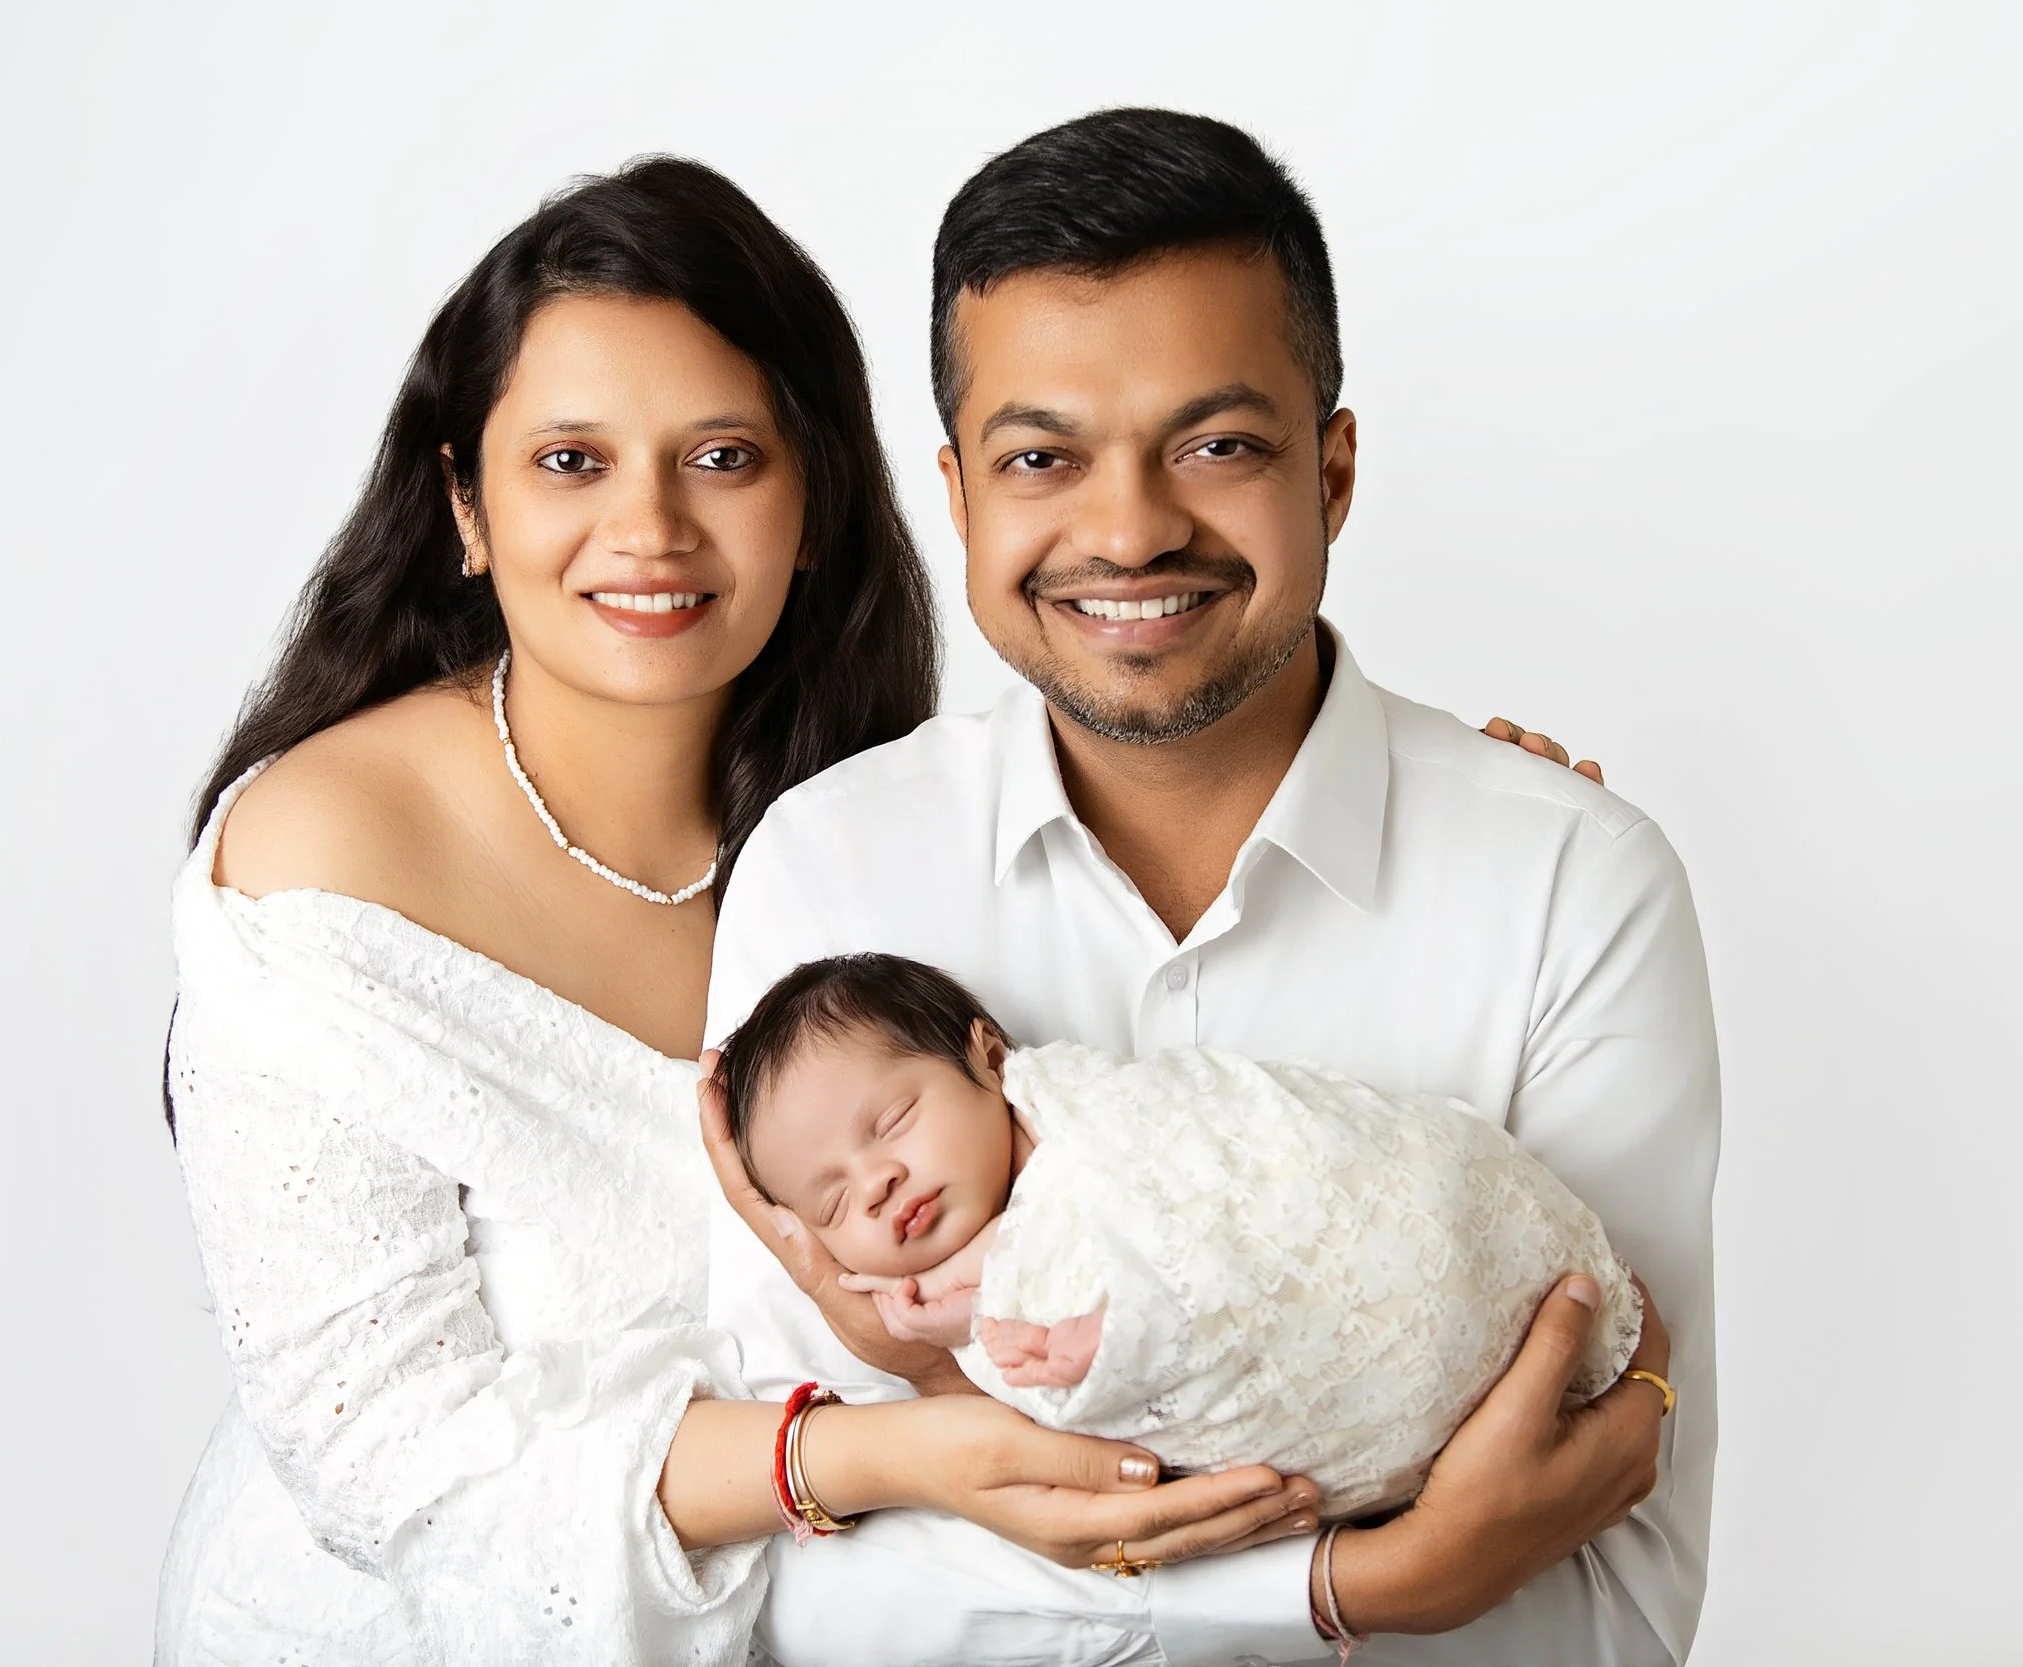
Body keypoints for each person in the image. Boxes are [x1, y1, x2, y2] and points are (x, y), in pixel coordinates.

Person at [154, 157, 1335, 1667]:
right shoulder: (322, 851)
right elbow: (385, 1461)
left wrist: (1432, 803)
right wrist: (854, 1455)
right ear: (465, 503)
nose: (649, 528)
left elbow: (1139, 1089)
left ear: (817, 504)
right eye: (571, 462)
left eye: (721, 456)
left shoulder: (869, 824)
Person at [701, 107, 1718, 1666]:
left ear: (1336, 465)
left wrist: (988, 1477)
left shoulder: (1573, 884)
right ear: (960, 496)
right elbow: (809, 1579)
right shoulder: (830, 871)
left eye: (1218, 444)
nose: (1128, 529)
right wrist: (1346, 1583)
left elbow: (1605, 1547)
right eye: (1043, 457)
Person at [711, 951, 1648, 1516]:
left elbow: (1202, 1163)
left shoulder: (1092, 1115)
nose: (876, 1185)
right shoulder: (954, 1318)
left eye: (891, 1122)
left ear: (988, 1057)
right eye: (831, 1205)